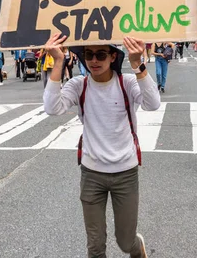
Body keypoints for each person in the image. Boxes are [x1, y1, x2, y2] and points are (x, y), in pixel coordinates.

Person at [43, 33, 160, 258]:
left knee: (126, 242)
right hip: (91, 174)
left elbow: (153, 104)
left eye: (100, 54)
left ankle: (137, 248)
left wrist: (138, 64)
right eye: (88, 55)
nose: (94, 61)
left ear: (113, 56)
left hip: (125, 173)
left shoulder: (126, 83)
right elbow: (52, 108)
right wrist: (58, 62)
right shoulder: (79, 85)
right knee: (95, 247)